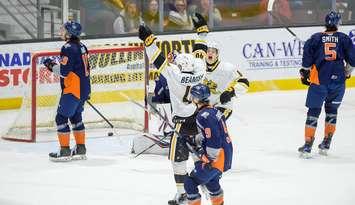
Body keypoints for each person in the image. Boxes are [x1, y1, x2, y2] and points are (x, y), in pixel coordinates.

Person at [138, 13, 209, 205]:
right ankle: (205, 186)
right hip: (199, 120)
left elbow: (156, 57)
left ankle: (183, 194)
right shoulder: (200, 71)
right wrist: (201, 31)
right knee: (199, 157)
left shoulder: (172, 75)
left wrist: (148, 39)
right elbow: (200, 51)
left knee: (177, 161)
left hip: (181, 125)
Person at [298, 11, 355, 158]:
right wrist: (347, 73)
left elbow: (306, 60)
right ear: (338, 23)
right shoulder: (344, 39)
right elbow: (353, 60)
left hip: (319, 82)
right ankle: (326, 142)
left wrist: (304, 73)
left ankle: (307, 145)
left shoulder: (316, 38)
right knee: (332, 111)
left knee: (313, 112)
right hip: (338, 83)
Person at [43, 21, 91, 162]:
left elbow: (64, 72)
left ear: (69, 33)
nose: (61, 31)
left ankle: (64, 151)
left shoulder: (68, 48)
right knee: (76, 117)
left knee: (61, 118)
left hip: (72, 90)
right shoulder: (82, 46)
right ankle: (80, 149)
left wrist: (50, 65)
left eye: (63, 29)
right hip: (84, 89)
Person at [184, 83, 233, 205]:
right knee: (211, 182)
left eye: (192, 97)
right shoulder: (214, 111)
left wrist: (208, 159)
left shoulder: (203, 116)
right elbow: (210, 135)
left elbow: (214, 140)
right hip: (225, 155)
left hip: (216, 159)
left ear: (196, 98)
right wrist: (194, 141)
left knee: (190, 183)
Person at [203, 41, 249, 120]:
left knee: (212, 122)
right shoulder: (199, 67)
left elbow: (244, 82)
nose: (210, 53)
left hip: (222, 105)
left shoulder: (227, 68)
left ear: (217, 54)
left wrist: (231, 92)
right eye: (208, 51)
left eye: (213, 52)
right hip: (203, 106)